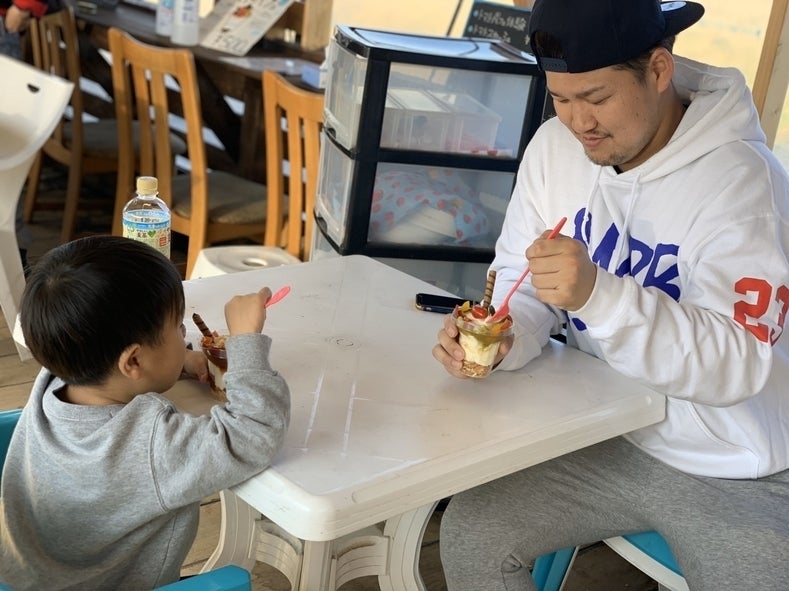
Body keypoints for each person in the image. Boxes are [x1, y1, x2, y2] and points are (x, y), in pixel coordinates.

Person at [432, 0, 789, 589]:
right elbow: (523, 283)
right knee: (473, 533)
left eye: (597, 98)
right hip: (603, 433)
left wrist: (600, 296)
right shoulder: (555, 149)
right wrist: (503, 337)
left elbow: (738, 364)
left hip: (735, 464)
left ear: (659, 69)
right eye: (561, 99)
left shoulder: (746, 186)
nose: (579, 123)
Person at [0, 235, 291, 590]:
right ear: (134, 360)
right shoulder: (151, 443)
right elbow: (253, 433)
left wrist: (180, 360)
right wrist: (246, 343)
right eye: (178, 329)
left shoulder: (56, 376)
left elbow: (112, 363)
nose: (183, 333)